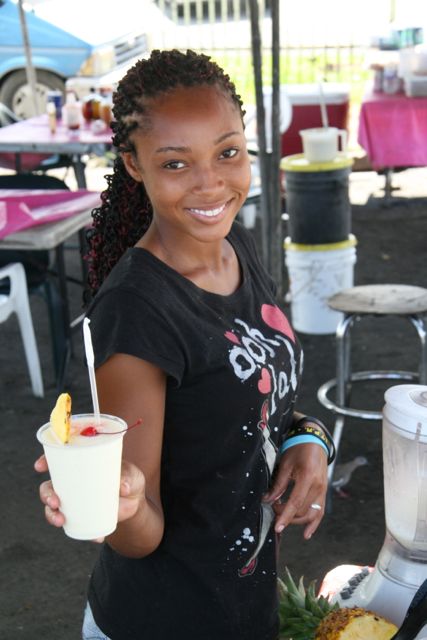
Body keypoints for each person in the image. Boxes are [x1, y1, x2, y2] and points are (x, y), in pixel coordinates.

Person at [35, 49, 333, 640]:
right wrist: (119, 504)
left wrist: (307, 438)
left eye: (228, 152)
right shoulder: (137, 312)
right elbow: (138, 534)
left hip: (245, 608)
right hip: (164, 620)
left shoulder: (236, 245)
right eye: (176, 164)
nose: (211, 183)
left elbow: (252, 395)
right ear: (135, 163)